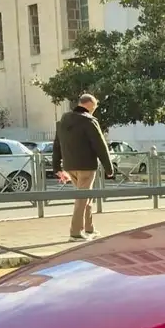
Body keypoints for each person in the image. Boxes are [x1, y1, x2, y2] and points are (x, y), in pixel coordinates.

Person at [52, 93, 113, 241]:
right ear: (90, 105)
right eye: (94, 107)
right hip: (86, 165)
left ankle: (89, 228)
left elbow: (57, 145)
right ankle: (75, 232)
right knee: (82, 199)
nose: (94, 110)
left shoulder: (63, 121)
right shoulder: (89, 121)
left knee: (86, 197)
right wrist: (109, 168)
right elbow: (100, 145)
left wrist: (57, 167)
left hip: (70, 165)